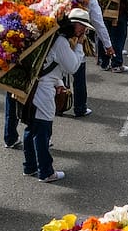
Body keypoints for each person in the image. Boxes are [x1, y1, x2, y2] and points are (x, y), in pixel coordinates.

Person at [23, 9, 90, 182]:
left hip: (37, 85)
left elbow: (49, 64)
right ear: (75, 25)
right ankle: (45, 171)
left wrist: (59, 83)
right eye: (82, 27)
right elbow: (72, 67)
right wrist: (80, 46)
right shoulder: (60, 41)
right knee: (42, 130)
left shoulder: (55, 37)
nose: (84, 31)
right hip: (42, 89)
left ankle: (30, 166)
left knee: (32, 127)